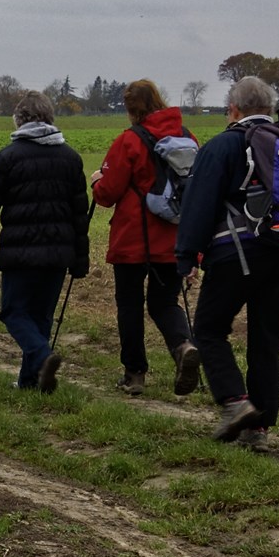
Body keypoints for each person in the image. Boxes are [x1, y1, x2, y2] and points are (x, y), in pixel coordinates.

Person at [174, 74, 279, 451]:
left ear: (232, 110)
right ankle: (260, 430)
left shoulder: (221, 146)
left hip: (234, 255)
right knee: (266, 343)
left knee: (207, 330)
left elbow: (198, 205)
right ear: (269, 109)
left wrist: (186, 256)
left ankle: (235, 403)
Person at [0, 90, 89, 391]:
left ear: (20, 121)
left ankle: (42, 356)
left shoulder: (8, 158)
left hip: (21, 253)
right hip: (58, 254)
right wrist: (81, 259)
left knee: (13, 312)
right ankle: (32, 382)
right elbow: (80, 215)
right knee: (40, 317)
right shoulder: (71, 158)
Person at [87, 79, 200, 397]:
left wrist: (97, 182)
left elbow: (107, 194)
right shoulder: (189, 138)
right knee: (165, 303)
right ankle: (183, 346)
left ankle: (134, 374)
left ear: (129, 108)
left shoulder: (129, 141)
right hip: (174, 238)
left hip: (132, 237)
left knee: (130, 305)